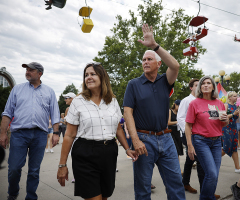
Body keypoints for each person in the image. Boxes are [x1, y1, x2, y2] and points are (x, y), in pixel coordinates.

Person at [57, 62, 138, 200]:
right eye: (86, 75)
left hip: (109, 153)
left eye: (92, 74)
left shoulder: (112, 101)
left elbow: (118, 128)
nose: (88, 77)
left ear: (102, 77)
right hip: (85, 154)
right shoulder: (78, 101)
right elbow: (69, 135)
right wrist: (62, 165)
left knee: (104, 196)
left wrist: (127, 149)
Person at [123, 23, 185, 200]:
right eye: (143, 60)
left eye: (149, 59)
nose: (145, 62)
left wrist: (154, 46)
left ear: (158, 63)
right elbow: (127, 113)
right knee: (143, 189)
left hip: (166, 139)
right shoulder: (133, 84)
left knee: (175, 185)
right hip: (144, 140)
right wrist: (135, 140)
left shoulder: (165, 81)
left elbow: (175, 66)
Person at [0, 62, 60, 200]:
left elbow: (55, 114)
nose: (27, 72)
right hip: (19, 134)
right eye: (26, 69)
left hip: (40, 135)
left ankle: (31, 197)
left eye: (31, 70)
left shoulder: (49, 91)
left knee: (34, 170)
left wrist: (56, 133)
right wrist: (2, 133)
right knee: (14, 168)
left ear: (40, 73)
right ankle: (13, 193)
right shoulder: (17, 89)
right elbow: (7, 113)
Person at [185, 75, 229, 200]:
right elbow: (188, 125)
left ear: (213, 87)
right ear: (200, 87)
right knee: (211, 173)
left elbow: (222, 124)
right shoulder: (194, 103)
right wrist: (189, 145)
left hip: (216, 142)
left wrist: (226, 120)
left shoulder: (219, 104)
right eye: (203, 83)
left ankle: (207, 197)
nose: (205, 85)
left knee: (214, 175)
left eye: (209, 83)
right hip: (200, 141)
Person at [177, 79, 205, 194]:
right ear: (191, 88)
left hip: (201, 134)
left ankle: (185, 183)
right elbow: (180, 118)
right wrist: (190, 132)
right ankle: (205, 190)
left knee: (190, 159)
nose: (199, 87)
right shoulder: (186, 100)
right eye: (196, 85)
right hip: (190, 135)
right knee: (200, 161)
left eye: (200, 85)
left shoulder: (202, 100)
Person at [222, 91, 240, 172]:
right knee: (226, 147)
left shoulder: (236, 106)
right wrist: (233, 114)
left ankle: (237, 167)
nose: (236, 97)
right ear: (229, 97)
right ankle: (211, 160)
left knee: (234, 148)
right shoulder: (226, 105)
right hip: (226, 128)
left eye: (236, 96)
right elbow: (224, 116)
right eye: (234, 96)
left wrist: (237, 114)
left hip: (234, 128)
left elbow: (236, 118)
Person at [168, 99, 183, 169]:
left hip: (178, 133)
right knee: (175, 151)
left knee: (178, 152)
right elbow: (168, 123)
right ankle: (178, 169)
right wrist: (177, 122)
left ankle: (177, 168)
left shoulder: (179, 113)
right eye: (180, 106)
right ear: (176, 105)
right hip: (171, 133)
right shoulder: (170, 111)